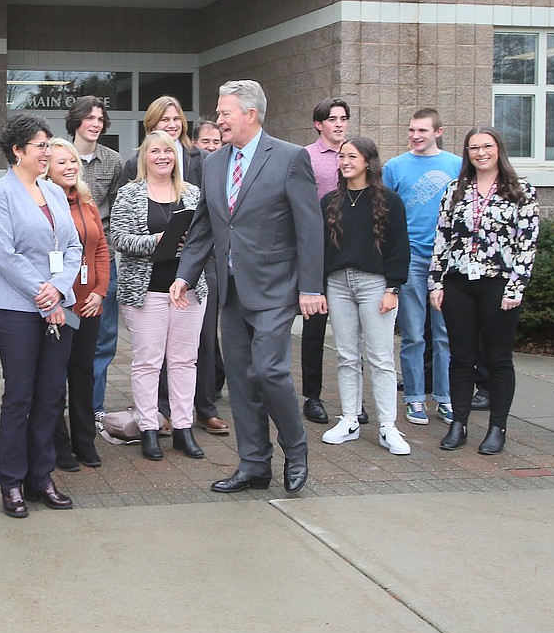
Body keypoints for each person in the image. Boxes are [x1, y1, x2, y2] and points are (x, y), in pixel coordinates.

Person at [171, 79, 323, 495]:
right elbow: (205, 225)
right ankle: (254, 464)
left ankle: (295, 446)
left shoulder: (290, 158)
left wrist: (311, 287)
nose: (217, 120)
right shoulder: (214, 162)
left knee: (270, 371)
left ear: (250, 115)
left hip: (276, 287)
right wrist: (185, 274)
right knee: (240, 379)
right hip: (232, 290)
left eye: (224, 113)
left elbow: (310, 227)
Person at [0, 113, 82, 519]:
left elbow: (73, 246)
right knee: (19, 395)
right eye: (40, 146)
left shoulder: (55, 192)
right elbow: (3, 254)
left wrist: (57, 289)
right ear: (17, 151)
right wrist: (42, 293)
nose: (48, 152)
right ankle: (11, 482)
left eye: (48, 145)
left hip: (59, 307)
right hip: (16, 308)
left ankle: (42, 477)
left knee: (49, 396)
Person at [431, 127, 539, 455]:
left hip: (499, 285)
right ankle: (459, 423)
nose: (480, 153)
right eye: (473, 147)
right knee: (460, 357)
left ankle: (496, 427)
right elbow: (442, 237)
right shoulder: (455, 189)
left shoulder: (521, 190)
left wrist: (516, 287)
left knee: (498, 357)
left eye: (486, 146)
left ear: (498, 149)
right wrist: (435, 282)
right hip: (458, 282)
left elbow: (527, 243)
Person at [111, 131, 208, 461]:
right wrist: (158, 240)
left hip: (189, 291)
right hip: (145, 292)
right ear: (144, 156)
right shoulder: (128, 194)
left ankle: (183, 429)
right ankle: (149, 427)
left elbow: (207, 236)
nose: (163, 156)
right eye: (155, 151)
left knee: (184, 362)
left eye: (169, 151)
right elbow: (119, 239)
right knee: (148, 363)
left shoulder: (194, 194)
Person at [318, 137, 411, 455]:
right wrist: (320, 288)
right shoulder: (330, 201)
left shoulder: (389, 200)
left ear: (368, 161)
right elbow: (321, 248)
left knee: (381, 357)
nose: (344, 161)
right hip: (338, 284)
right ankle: (349, 418)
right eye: (341, 156)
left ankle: (388, 426)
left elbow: (400, 246)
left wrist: (393, 288)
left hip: (376, 284)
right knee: (346, 355)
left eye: (351, 156)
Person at [382, 108, 461, 426]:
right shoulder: (394, 167)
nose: (415, 136)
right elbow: (384, 215)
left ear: (438, 132)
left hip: (445, 261)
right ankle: (414, 398)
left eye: (422, 131)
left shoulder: (457, 165)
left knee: (444, 335)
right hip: (411, 259)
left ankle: (445, 398)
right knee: (414, 334)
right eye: (411, 130)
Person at [44, 138, 109, 471]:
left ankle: (85, 442)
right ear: (46, 168)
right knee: (55, 379)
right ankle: (59, 446)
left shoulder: (87, 201)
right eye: (61, 162)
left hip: (88, 304)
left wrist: (99, 290)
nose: (69, 167)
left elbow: (99, 249)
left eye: (72, 161)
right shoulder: (42, 203)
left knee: (83, 373)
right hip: (58, 305)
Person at [64, 97, 122, 429]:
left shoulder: (113, 162)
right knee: (61, 333)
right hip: (64, 264)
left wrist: (106, 249)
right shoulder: (58, 157)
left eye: (100, 118)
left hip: (101, 259)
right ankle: (56, 403)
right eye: (89, 118)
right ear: (76, 122)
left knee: (103, 335)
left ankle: (92, 407)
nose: (96, 123)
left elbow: (114, 213)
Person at [300, 98, 351, 425]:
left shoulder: (355, 154)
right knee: (314, 327)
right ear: (319, 124)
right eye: (332, 119)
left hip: (350, 250)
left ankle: (354, 398)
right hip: (317, 251)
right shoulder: (306, 157)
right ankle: (312, 396)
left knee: (351, 329)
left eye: (343, 118)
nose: (339, 124)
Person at [187, 117, 229, 434]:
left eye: (217, 141)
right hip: (174, 267)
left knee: (206, 338)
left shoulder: (223, 171)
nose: (212, 147)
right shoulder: (186, 176)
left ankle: (206, 403)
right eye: (206, 141)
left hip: (212, 263)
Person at [118, 94, 203, 188]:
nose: (172, 125)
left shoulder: (202, 158)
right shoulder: (135, 164)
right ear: (152, 125)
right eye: (165, 120)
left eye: (176, 119)